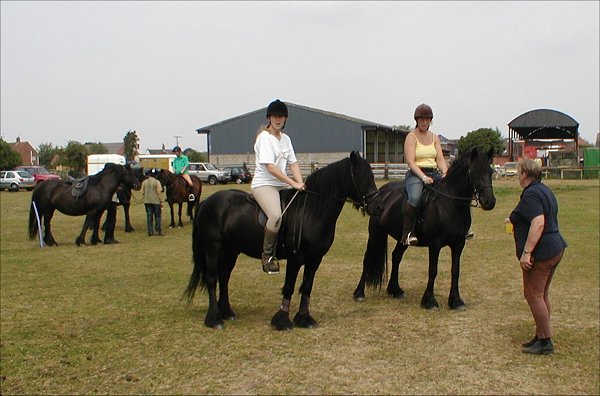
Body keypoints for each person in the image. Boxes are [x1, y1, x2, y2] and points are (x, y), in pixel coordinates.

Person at [509, 158, 567, 355]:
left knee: (533, 295)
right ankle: (541, 334)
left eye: (519, 173)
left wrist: (527, 252)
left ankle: (545, 342)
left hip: (543, 252)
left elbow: (539, 223)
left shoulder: (531, 194)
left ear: (525, 174)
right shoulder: (544, 190)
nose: (518, 176)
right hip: (555, 247)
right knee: (541, 295)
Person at [251, 99, 305, 275]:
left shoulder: (286, 139)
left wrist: (301, 183)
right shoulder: (264, 138)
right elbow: (271, 168)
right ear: (269, 117)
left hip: (281, 186)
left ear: (285, 119)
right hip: (264, 185)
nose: (278, 119)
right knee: (276, 215)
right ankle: (267, 257)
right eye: (275, 116)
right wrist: (293, 183)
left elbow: (293, 163)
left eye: (281, 116)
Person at [401, 103, 448, 246]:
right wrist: (422, 177)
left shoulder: (435, 137)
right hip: (416, 174)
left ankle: (460, 228)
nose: (424, 122)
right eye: (421, 119)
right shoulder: (411, 137)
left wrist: (446, 172)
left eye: (427, 119)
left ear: (430, 121)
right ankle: (408, 233)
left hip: (434, 173)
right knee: (415, 197)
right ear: (417, 120)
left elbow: (439, 158)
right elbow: (410, 161)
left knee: (452, 191)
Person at [142, 168, 164, 236]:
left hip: (147, 201)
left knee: (149, 216)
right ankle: (158, 230)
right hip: (156, 201)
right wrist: (161, 201)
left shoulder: (144, 182)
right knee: (157, 216)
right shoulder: (157, 182)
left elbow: (142, 192)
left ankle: (150, 231)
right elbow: (159, 192)